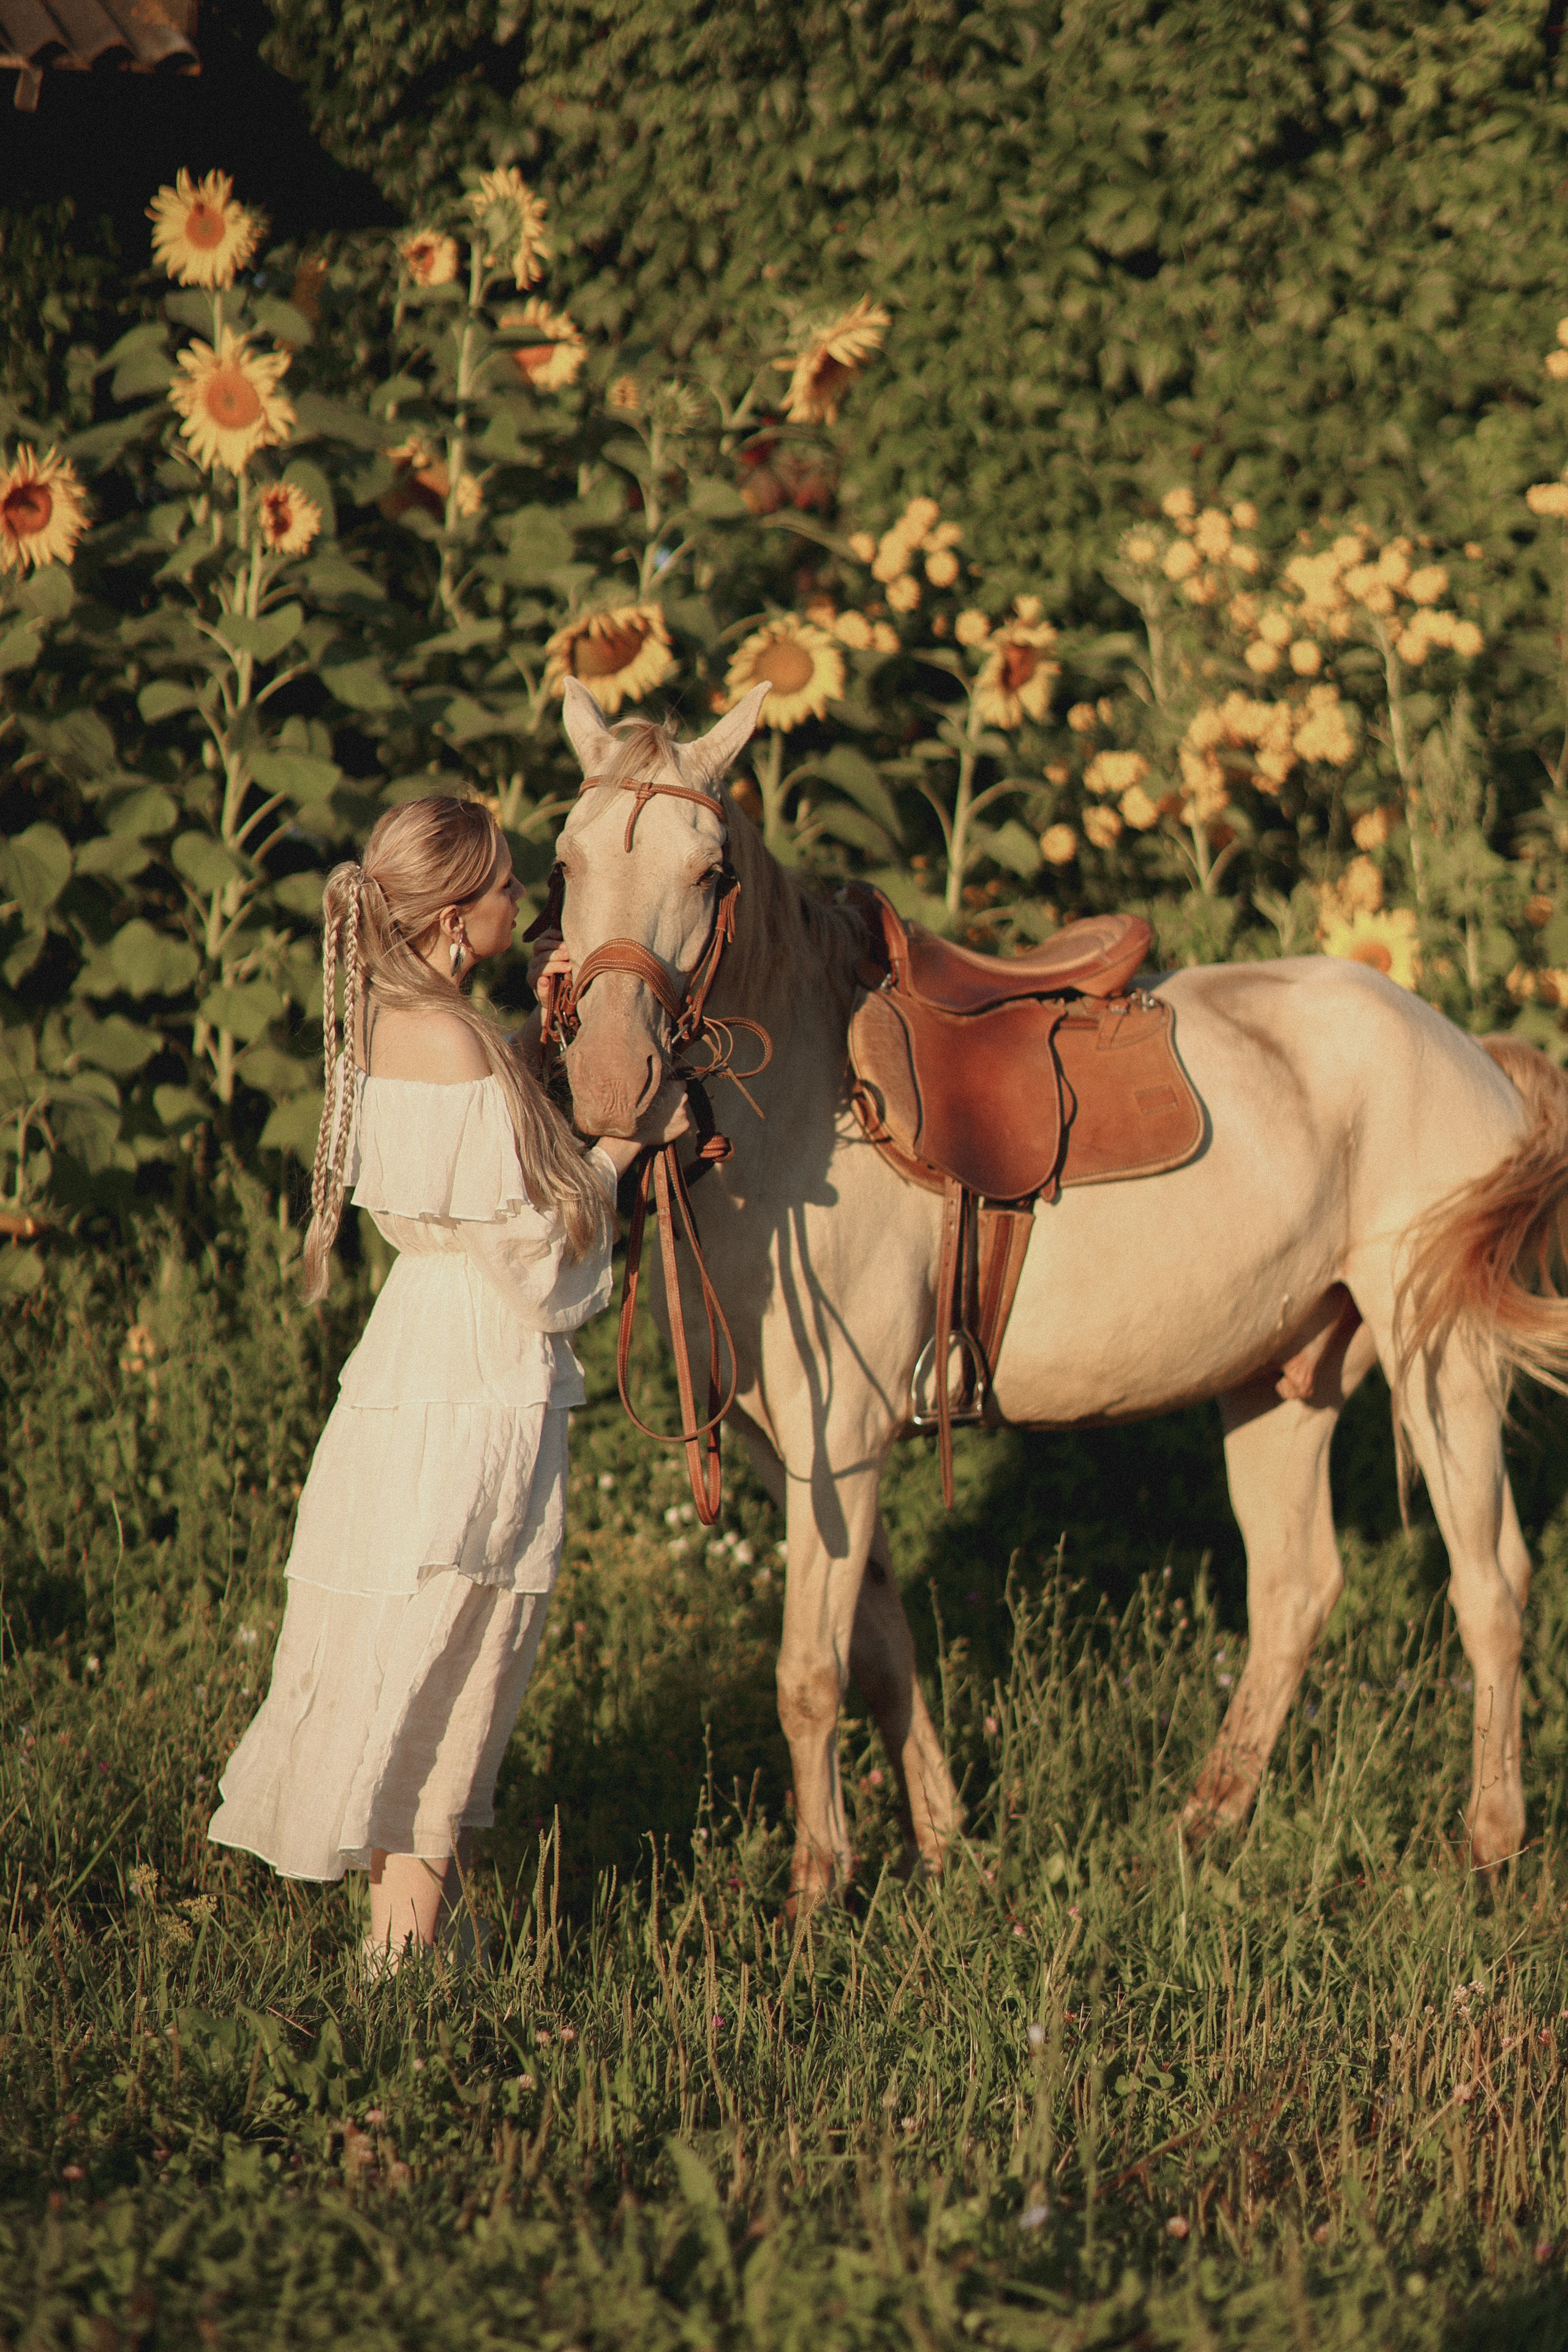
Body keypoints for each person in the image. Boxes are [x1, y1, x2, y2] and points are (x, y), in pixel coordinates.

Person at [208, 795, 676, 1968]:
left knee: (414, 1648)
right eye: (511, 885)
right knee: (446, 1667)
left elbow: (475, 1149)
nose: (529, 900)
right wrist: (632, 1142)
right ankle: (401, 1978)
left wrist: (537, 1037)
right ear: (458, 916)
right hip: (476, 1372)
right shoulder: (455, 1042)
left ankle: (424, 1951)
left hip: (413, 1355)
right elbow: (530, 1246)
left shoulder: (394, 1016)